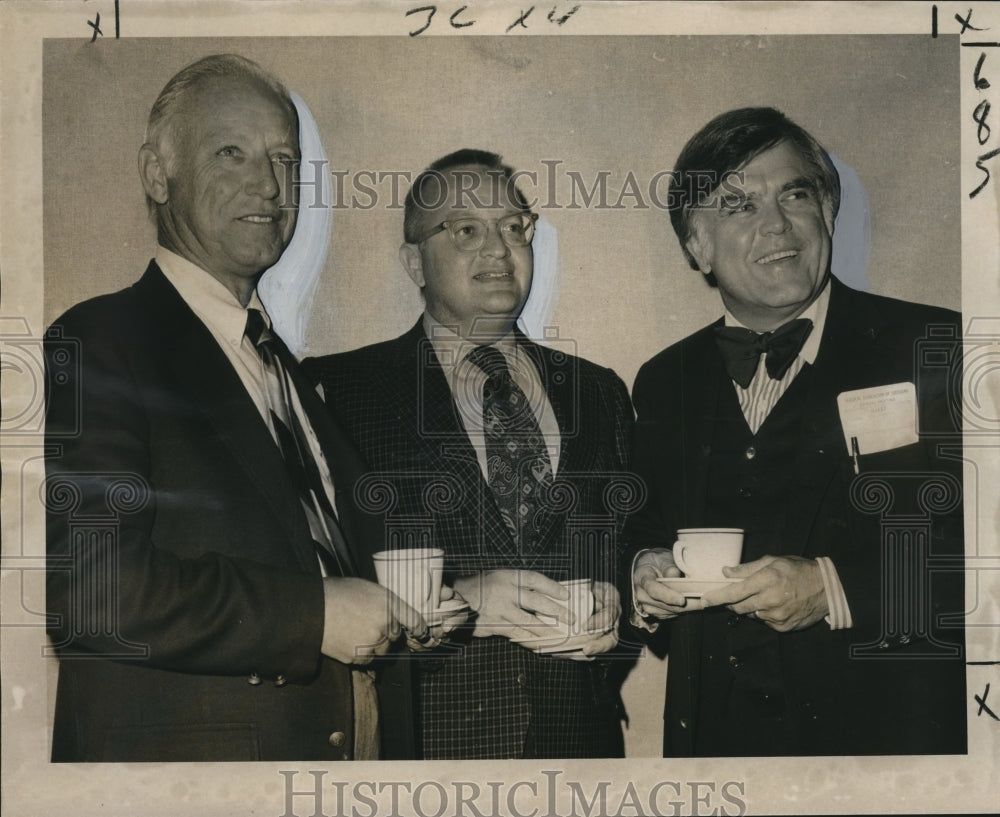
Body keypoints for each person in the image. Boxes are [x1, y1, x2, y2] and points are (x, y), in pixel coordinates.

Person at [44, 53, 432, 762]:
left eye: (286, 158)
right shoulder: (97, 340)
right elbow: (90, 591)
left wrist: (471, 601)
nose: (269, 183)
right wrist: (313, 617)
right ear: (157, 174)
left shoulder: (276, 362)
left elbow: (329, 565)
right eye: (232, 152)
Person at [625, 107, 966, 757]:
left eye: (795, 193)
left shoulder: (940, 348)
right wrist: (642, 569)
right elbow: (643, 527)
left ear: (827, 212)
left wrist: (833, 586)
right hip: (717, 758)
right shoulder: (665, 379)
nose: (776, 224)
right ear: (697, 245)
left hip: (889, 753)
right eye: (739, 205)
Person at [303, 149, 635, 759]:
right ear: (414, 262)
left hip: (579, 750)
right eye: (465, 230)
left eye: (515, 228)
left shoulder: (600, 391)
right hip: (424, 747)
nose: (498, 250)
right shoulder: (337, 392)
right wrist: (462, 600)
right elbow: (316, 581)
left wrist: (622, 599)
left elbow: (634, 546)